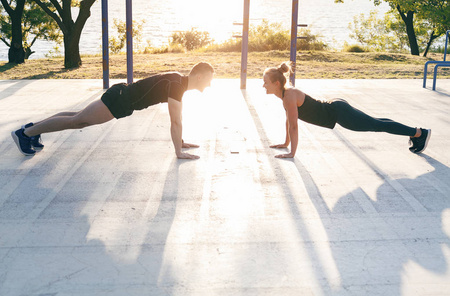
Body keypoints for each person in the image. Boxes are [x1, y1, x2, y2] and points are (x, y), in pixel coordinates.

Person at [11, 62, 214, 159]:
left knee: (77, 118)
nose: (210, 84)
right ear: (198, 76)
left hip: (121, 98)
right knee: (78, 121)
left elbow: (177, 119)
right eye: (209, 79)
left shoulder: (178, 80)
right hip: (120, 101)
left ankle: (31, 129)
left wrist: (179, 141)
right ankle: (25, 133)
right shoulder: (177, 85)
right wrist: (178, 151)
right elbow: (176, 121)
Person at [263, 62, 431, 158]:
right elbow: (289, 121)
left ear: (276, 83)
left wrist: (292, 152)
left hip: (338, 112)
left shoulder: (289, 96)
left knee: (376, 125)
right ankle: (416, 132)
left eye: (266, 82)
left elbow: (294, 126)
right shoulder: (286, 96)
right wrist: (286, 143)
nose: (263, 85)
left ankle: (419, 133)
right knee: (376, 123)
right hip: (336, 108)